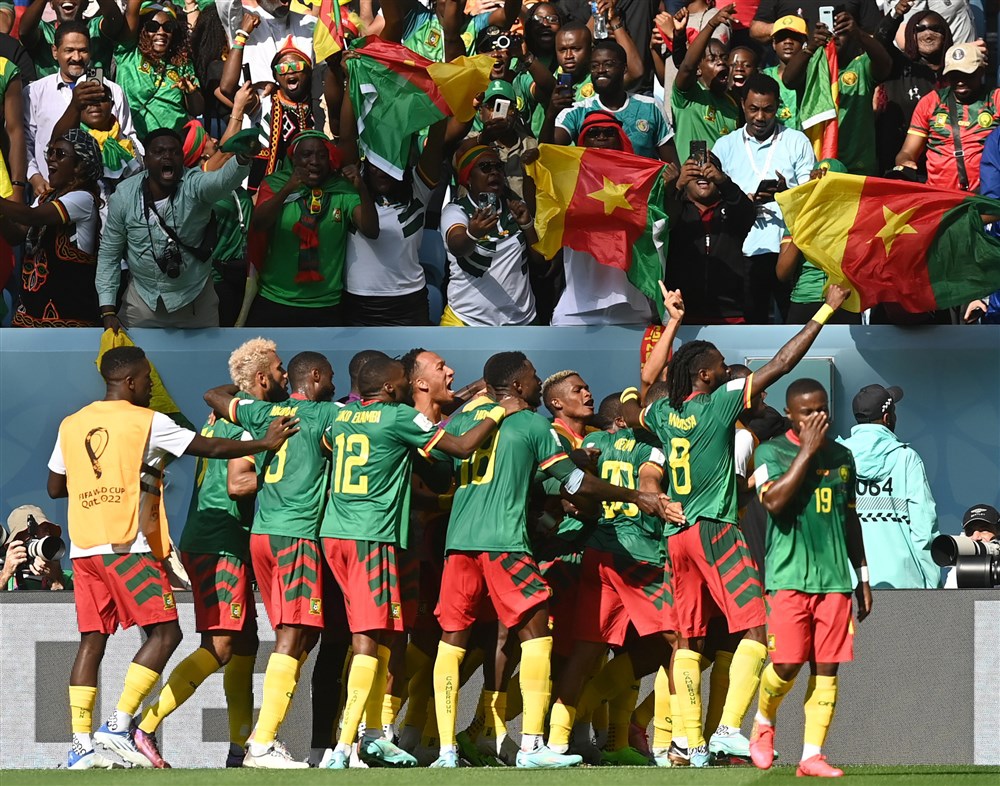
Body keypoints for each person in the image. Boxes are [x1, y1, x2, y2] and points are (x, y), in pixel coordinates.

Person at [619, 282, 851, 767]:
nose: (728, 370)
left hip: (677, 536)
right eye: (722, 365)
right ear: (705, 374)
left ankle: (689, 742)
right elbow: (782, 362)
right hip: (716, 529)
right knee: (757, 627)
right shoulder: (721, 401)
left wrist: (674, 322)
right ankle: (726, 730)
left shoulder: (662, 412)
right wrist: (826, 309)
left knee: (688, 640)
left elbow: (643, 383)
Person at [46, 345, 296, 770]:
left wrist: (100, 481)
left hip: (85, 548)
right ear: (129, 382)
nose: (151, 387)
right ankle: (121, 724)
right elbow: (208, 448)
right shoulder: (148, 421)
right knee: (166, 634)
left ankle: (81, 746)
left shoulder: (72, 423)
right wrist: (265, 442)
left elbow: (55, 487)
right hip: (126, 544)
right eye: (147, 379)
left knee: (92, 641)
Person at [430, 351, 674, 769]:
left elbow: (440, 467)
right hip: (506, 542)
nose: (537, 380)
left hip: (458, 543)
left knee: (453, 642)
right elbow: (576, 483)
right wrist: (635, 495)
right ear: (518, 386)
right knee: (537, 637)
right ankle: (531, 746)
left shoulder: (468, 419)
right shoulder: (533, 424)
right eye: (532, 376)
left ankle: (446, 751)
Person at [318, 354, 525, 769]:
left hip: (335, 533)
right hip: (372, 536)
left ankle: (375, 734)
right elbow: (462, 447)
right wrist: (498, 411)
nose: (408, 387)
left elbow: (328, 445)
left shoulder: (341, 418)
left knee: (388, 635)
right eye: (404, 381)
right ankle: (344, 747)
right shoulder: (400, 417)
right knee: (369, 640)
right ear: (392, 388)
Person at [130, 338, 290, 769]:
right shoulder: (246, 427)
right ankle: (143, 727)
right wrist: (291, 477)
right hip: (220, 543)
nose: (285, 375)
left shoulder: (219, 421)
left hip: (215, 540)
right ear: (262, 379)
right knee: (220, 647)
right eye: (279, 369)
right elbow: (239, 484)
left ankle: (239, 748)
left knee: (244, 644)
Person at [203, 350, 341, 768]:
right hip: (296, 535)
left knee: (295, 635)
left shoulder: (262, 413)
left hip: (262, 535)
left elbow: (213, 395)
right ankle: (261, 744)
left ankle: (262, 738)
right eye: (330, 376)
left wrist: (248, 388)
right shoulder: (326, 414)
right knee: (292, 636)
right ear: (315, 376)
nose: (334, 384)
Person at [748, 378, 872, 778]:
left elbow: (850, 518)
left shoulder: (843, 456)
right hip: (788, 577)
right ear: (789, 414)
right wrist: (806, 452)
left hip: (834, 580)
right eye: (807, 412)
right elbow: (774, 502)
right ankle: (763, 721)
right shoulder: (770, 451)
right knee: (787, 664)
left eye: (822, 410)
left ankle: (812, 756)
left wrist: (863, 577)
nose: (817, 418)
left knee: (827, 667)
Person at [96, 127, 256, 330]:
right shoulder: (124, 195)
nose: (167, 156)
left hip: (196, 302)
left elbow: (221, 181)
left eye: (174, 152)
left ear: (182, 158)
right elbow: (109, 254)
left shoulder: (194, 184)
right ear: (146, 160)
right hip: (142, 303)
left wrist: (242, 158)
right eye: (158, 152)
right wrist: (108, 310)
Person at [712, 72, 815, 323]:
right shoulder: (725, 145)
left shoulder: (796, 141)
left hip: (785, 248)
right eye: (753, 109)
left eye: (768, 110)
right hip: (743, 250)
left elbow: (810, 197)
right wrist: (741, 200)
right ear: (742, 104)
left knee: (791, 325)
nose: (760, 117)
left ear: (778, 105)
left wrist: (785, 193)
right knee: (751, 325)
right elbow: (711, 198)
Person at [247, 130, 378, 327]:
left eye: (322, 155)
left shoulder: (341, 189)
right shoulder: (275, 184)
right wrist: (288, 188)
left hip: (326, 305)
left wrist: (361, 188)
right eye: (306, 155)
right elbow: (259, 224)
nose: (315, 161)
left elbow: (371, 230)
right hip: (275, 299)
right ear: (294, 159)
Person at [550, 111, 657, 326]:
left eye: (609, 132)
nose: (601, 137)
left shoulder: (641, 178)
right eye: (593, 133)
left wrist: (671, 187)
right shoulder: (567, 177)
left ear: (620, 138)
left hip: (631, 304)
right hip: (576, 308)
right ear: (583, 140)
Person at [342, 119, 447, 327]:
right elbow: (346, 136)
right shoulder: (353, 187)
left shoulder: (418, 187)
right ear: (366, 163)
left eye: (390, 163)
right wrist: (352, 96)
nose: (382, 171)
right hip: (358, 305)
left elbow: (436, 142)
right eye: (376, 164)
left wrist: (441, 106)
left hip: (409, 304)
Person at [838, 384, 942, 589]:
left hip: (847, 584)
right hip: (904, 585)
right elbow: (924, 529)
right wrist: (933, 586)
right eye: (894, 412)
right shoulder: (906, 458)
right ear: (887, 418)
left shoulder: (834, 459)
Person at [0, 130, 103, 327]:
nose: (51, 159)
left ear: (79, 166)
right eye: (50, 152)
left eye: (60, 154)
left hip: (68, 319)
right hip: (31, 317)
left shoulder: (83, 199)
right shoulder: (45, 198)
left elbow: (31, 216)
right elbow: (16, 235)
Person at [23, 22, 134, 199]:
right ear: (55, 51)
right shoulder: (34, 92)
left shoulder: (112, 90)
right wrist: (34, 177)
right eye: (69, 50)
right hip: (50, 192)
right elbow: (25, 142)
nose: (76, 57)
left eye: (83, 50)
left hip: (104, 196)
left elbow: (128, 136)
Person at [783, 11, 892, 176]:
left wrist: (860, 34)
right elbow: (788, 80)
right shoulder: (810, 66)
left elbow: (885, 65)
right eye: (829, 31)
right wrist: (811, 47)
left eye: (841, 32)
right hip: (814, 165)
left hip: (857, 167)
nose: (834, 37)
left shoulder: (861, 66)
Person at [440, 144, 537, 326]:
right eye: (485, 167)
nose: (494, 172)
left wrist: (527, 224)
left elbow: (539, 261)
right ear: (468, 178)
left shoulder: (515, 207)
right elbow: (457, 247)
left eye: (498, 167)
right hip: (468, 321)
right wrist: (472, 234)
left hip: (522, 321)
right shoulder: (456, 210)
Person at [549, 39, 677, 163]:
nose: (600, 70)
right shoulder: (577, 111)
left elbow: (672, 165)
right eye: (594, 66)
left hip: (640, 178)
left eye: (608, 64)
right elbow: (548, 149)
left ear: (624, 68)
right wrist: (551, 114)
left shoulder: (650, 108)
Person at [663, 151, 755, 324]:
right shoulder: (676, 206)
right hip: (681, 313)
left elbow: (747, 212)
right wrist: (676, 186)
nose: (702, 174)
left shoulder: (733, 209)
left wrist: (724, 182)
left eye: (709, 168)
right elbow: (660, 222)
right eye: (694, 170)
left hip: (731, 314)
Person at [896, 42, 1000, 192]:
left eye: (967, 74)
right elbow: (907, 151)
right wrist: (905, 162)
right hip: (939, 195)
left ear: (981, 71)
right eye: (954, 75)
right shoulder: (932, 102)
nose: (960, 81)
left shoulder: (995, 100)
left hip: (984, 195)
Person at [874, 2, 955, 176]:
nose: (928, 34)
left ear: (946, 35)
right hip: (897, 167)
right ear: (911, 34)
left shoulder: (956, 74)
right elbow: (880, 41)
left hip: (942, 169)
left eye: (935, 29)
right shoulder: (898, 65)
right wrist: (895, 14)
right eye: (920, 29)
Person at [114, 2, 203, 138]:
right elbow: (132, 10)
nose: (161, 32)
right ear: (141, 30)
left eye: (168, 27)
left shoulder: (182, 63)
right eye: (152, 27)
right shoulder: (128, 53)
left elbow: (197, 110)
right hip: (136, 141)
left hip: (174, 141)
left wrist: (191, 93)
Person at [670, 3, 739, 162]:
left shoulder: (733, 104)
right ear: (698, 69)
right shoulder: (687, 96)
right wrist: (712, 24)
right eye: (712, 59)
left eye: (724, 58)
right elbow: (687, 66)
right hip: (689, 176)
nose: (720, 62)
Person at [18, 0, 126, 77]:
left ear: (86, 4)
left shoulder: (96, 29)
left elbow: (114, 20)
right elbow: (24, 32)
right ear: (51, 4)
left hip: (95, 99)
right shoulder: (44, 32)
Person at [762, 15, 808, 130]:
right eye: (781, 38)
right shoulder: (764, 76)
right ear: (774, 44)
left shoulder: (811, 74)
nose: (788, 42)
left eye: (794, 37)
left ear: (805, 43)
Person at [943, 505, 999, 588]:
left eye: (984, 530)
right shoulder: (958, 570)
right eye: (970, 531)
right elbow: (950, 596)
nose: (975, 537)